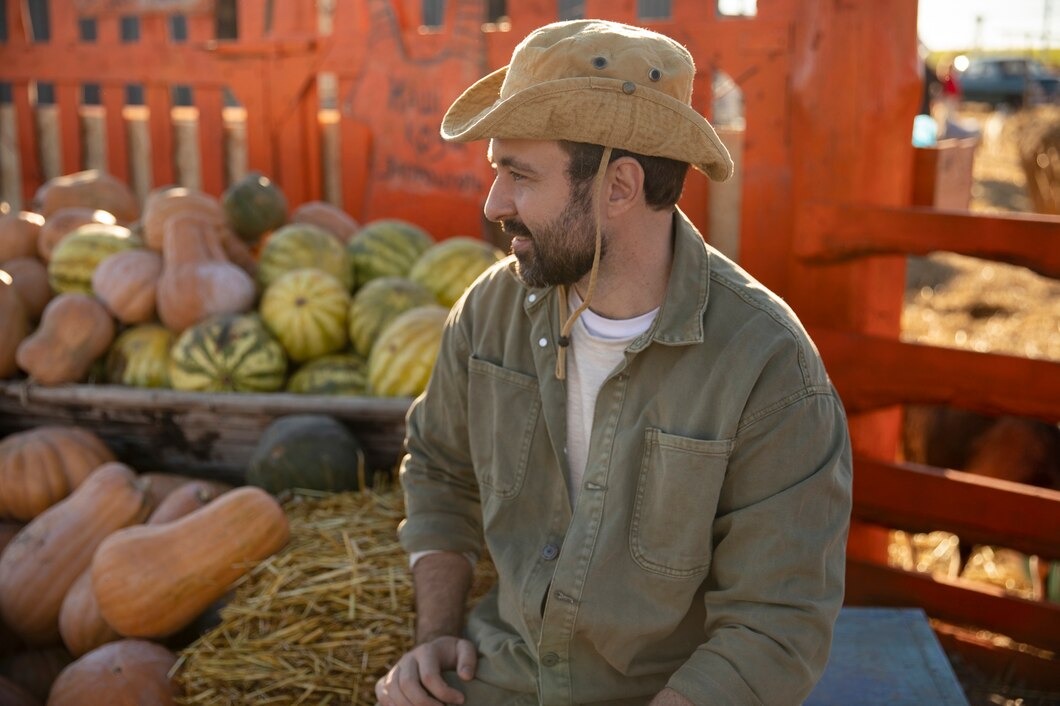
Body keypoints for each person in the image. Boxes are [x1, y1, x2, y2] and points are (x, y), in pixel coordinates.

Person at [376, 19, 852, 706]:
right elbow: (439, 470)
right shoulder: (489, 313)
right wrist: (434, 636)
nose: (494, 204)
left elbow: (775, 623)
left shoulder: (769, 369)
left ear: (619, 187)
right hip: (496, 681)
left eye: (519, 175)